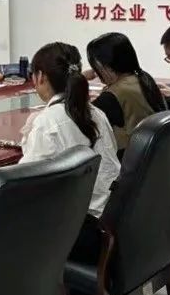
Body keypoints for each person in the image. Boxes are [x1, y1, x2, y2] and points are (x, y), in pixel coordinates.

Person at [17, 42, 121, 217]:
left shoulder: (47, 122)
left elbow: (24, 183)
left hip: (77, 220)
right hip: (109, 211)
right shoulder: (96, 112)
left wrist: (27, 138)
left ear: (40, 76)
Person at [86, 32, 167, 154]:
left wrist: (80, 80)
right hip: (154, 154)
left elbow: (81, 122)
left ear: (105, 66)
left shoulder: (112, 96)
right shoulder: (144, 78)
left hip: (127, 158)